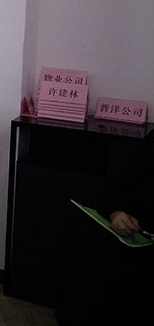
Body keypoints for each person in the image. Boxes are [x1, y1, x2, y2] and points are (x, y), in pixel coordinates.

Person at [55, 135, 152, 324]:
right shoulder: (147, 147)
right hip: (134, 226)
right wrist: (117, 212)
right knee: (84, 245)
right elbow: (119, 183)